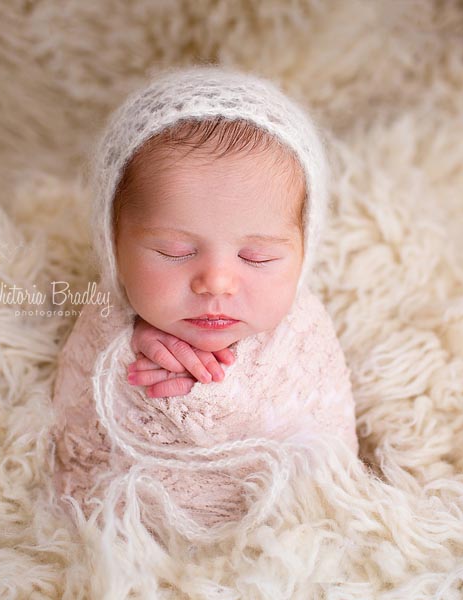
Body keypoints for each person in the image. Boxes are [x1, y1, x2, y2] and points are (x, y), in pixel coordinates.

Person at [50, 64, 358, 541]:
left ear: (302, 251)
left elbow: (332, 453)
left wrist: (211, 396)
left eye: (258, 257)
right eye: (175, 252)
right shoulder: (103, 321)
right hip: (126, 546)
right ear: (113, 245)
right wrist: (125, 350)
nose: (216, 281)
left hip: (273, 546)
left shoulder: (302, 333)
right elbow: (74, 438)